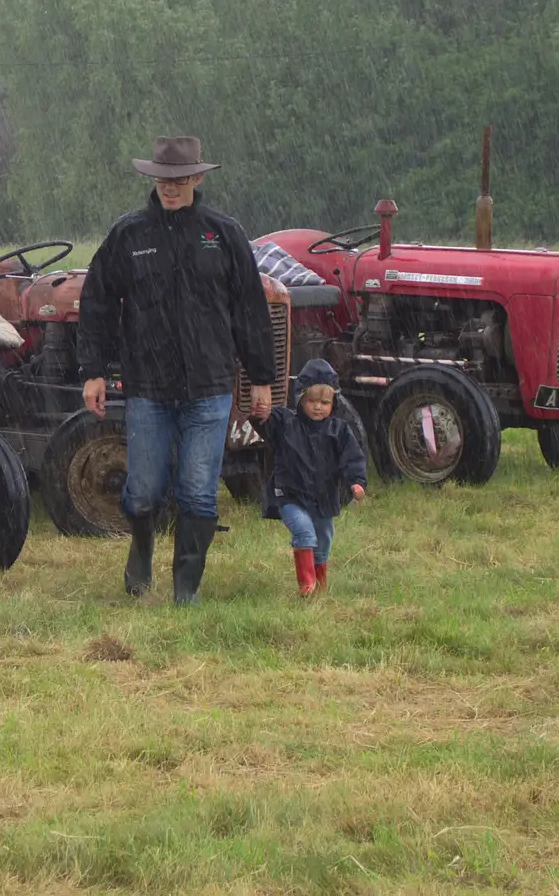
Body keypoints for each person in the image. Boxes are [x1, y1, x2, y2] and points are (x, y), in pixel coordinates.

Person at [78, 136, 277, 605]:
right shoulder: (129, 236)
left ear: (198, 178)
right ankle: (141, 548)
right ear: (153, 180)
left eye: (180, 179)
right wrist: (94, 370)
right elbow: (97, 302)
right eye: (163, 179)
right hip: (148, 387)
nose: (170, 187)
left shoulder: (223, 234)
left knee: (197, 492)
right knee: (143, 490)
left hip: (209, 387)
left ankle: (185, 590)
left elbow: (250, 309)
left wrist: (262, 378)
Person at [251, 359, 368, 596]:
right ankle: (307, 584)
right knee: (304, 532)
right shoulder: (286, 423)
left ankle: (319, 583)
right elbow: (266, 423)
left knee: (323, 538)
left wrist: (356, 481)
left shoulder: (340, 430)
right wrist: (262, 413)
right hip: (290, 496)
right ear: (300, 399)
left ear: (333, 403)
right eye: (312, 401)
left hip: (324, 498)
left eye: (324, 402)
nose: (318, 407)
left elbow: (353, 459)